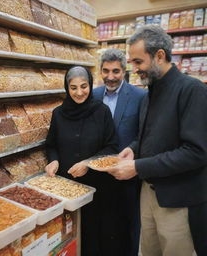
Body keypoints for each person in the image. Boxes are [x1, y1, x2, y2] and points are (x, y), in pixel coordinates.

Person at [108, 25, 207, 256]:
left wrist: (137, 167)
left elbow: (196, 152)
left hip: (178, 200)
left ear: (160, 56)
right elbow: (150, 136)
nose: (134, 69)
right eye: (131, 62)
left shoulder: (191, 91)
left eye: (138, 62)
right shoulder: (150, 92)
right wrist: (133, 150)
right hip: (149, 192)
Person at [44, 66, 121, 256]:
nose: (79, 92)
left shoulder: (101, 111)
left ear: (91, 85)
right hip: (66, 187)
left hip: (97, 187)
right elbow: (51, 144)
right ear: (67, 88)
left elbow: (112, 147)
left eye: (84, 86)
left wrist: (88, 163)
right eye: (73, 87)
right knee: (68, 236)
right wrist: (53, 160)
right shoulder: (58, 114)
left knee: (93, 234)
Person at [93, 48, 146, 256]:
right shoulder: (94, 95)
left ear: (124, 71)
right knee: (104, 223)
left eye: (116, 71)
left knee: (129, 224)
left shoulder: (140, 96)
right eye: (106, 71)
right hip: (99, 173)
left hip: (128, 175)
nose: (110, 76)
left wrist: (132, 151)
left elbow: (144, 134)